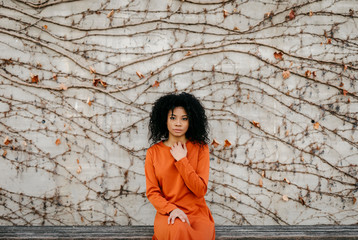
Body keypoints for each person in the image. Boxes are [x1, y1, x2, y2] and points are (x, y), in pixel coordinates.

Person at [145, 92, 215, 240]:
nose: (178, 123)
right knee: (178, 228)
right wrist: (172, 209)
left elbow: (200, 190)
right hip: (168, 214)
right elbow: (152, 193)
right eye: (173, 118)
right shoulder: (153, 153)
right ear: (164, 120)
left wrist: (182, 160)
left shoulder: (201, 148)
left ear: (191, 121)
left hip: (197, 215)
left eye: (184, 118)